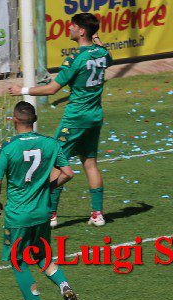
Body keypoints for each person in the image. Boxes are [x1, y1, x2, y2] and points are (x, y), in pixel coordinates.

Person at [8, 12, 112, 227]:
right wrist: (98, 41)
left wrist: (23, 90)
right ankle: (97, 214)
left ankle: (51, 215)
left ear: (82, 31)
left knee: (56, 163)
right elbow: (107, 57)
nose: (70, 29)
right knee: (90, 163)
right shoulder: (102, 53)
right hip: (94, 116)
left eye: (73, 26)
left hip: (75, 118)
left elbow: (53, 88)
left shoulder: (76, 59)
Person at [0, 101, 82, 300]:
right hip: (42, 213)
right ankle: (64, 286)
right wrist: (47, 186)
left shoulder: (8, 147)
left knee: (18, 261)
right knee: (43, 255)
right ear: (34, 121)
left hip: (18, 216)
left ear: (14, 121)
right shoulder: (51, 144)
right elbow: (68, 173)